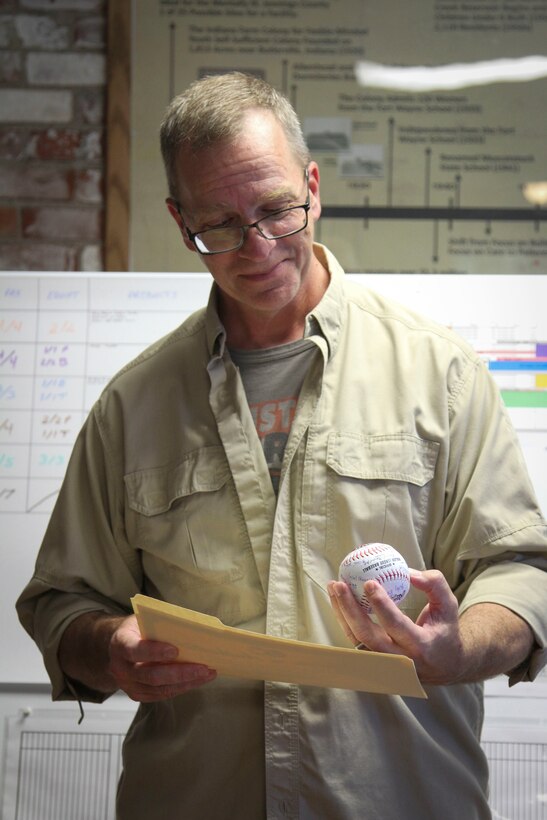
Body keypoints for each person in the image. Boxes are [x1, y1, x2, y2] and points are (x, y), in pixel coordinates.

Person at [17, 72, 547, 820]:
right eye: (220, 225)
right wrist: (108, 647)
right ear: (178, 220)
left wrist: (460, 649)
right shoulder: (130, 407)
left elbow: (519, 571)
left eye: (276, 211)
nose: (256, 246)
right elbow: (59, 604)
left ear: (313, 185)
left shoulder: (441, 372)